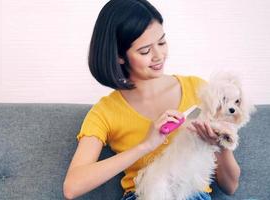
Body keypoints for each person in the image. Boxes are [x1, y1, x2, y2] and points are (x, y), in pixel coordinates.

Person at [63, 0, 240, 199]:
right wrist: (146, 145)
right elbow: (72, 186)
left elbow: (230, 186)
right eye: (145, 51)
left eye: (162, 42)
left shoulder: (199, 90)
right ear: (119, 56)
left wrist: (218, 144)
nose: (159, 55)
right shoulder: (105, 112)